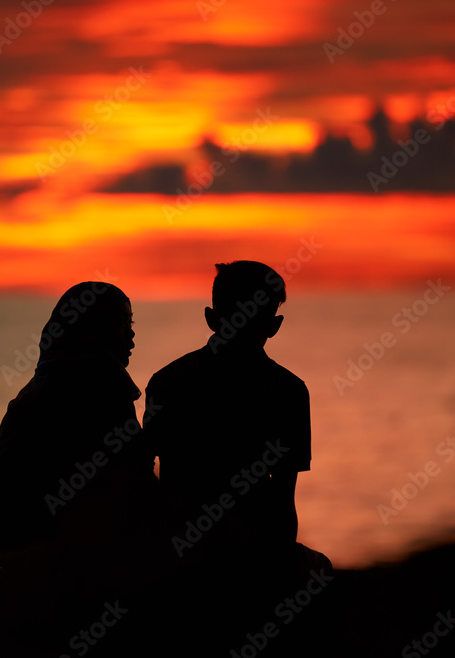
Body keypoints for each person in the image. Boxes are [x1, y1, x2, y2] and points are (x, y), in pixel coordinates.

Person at [142, 261, 331, 653]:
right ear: (274, 326)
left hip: (179, 546)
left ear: (211, 318)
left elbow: (148, 478)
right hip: (252, 551)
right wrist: (275, 566)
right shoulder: (289, 392)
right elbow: (284, 498)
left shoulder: (167, 381)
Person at [0, 282, 157, 550]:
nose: (131, 334)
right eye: (122, 322)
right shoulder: (104, 390)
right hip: (66, 555)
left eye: (131, 322)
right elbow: (136, 482)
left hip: (8, 544)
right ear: (93, 327)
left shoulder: (31, 393)